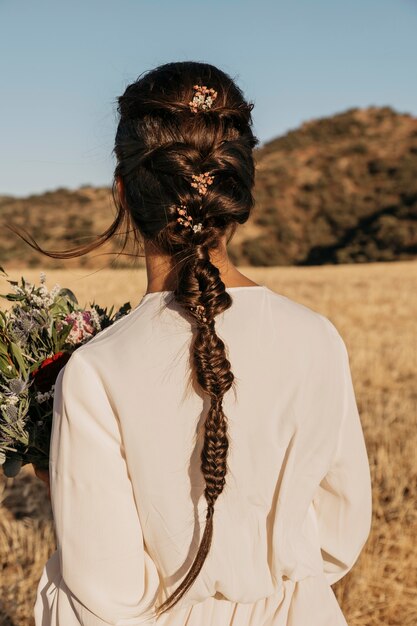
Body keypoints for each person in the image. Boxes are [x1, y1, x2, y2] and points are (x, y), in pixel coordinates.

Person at [30, 61, 372, 625]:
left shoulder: (96, 369)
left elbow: (108, 590)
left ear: (122, 194)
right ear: (238, 194)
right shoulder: (319, 339)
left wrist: (60, 488)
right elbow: (338, 535)